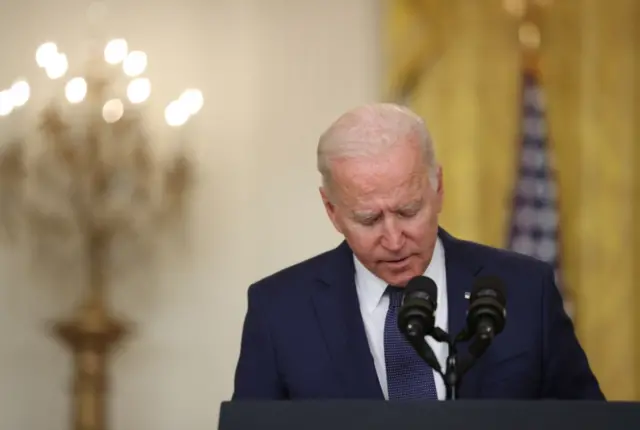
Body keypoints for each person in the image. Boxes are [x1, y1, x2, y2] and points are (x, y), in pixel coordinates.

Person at [232, 103, 604, 400]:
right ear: (332, 211)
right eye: (369, 219)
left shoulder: (525, 289)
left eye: (409, 211)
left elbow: (587, 424)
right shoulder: (279, 310)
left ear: (438, 187)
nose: (394, 240)